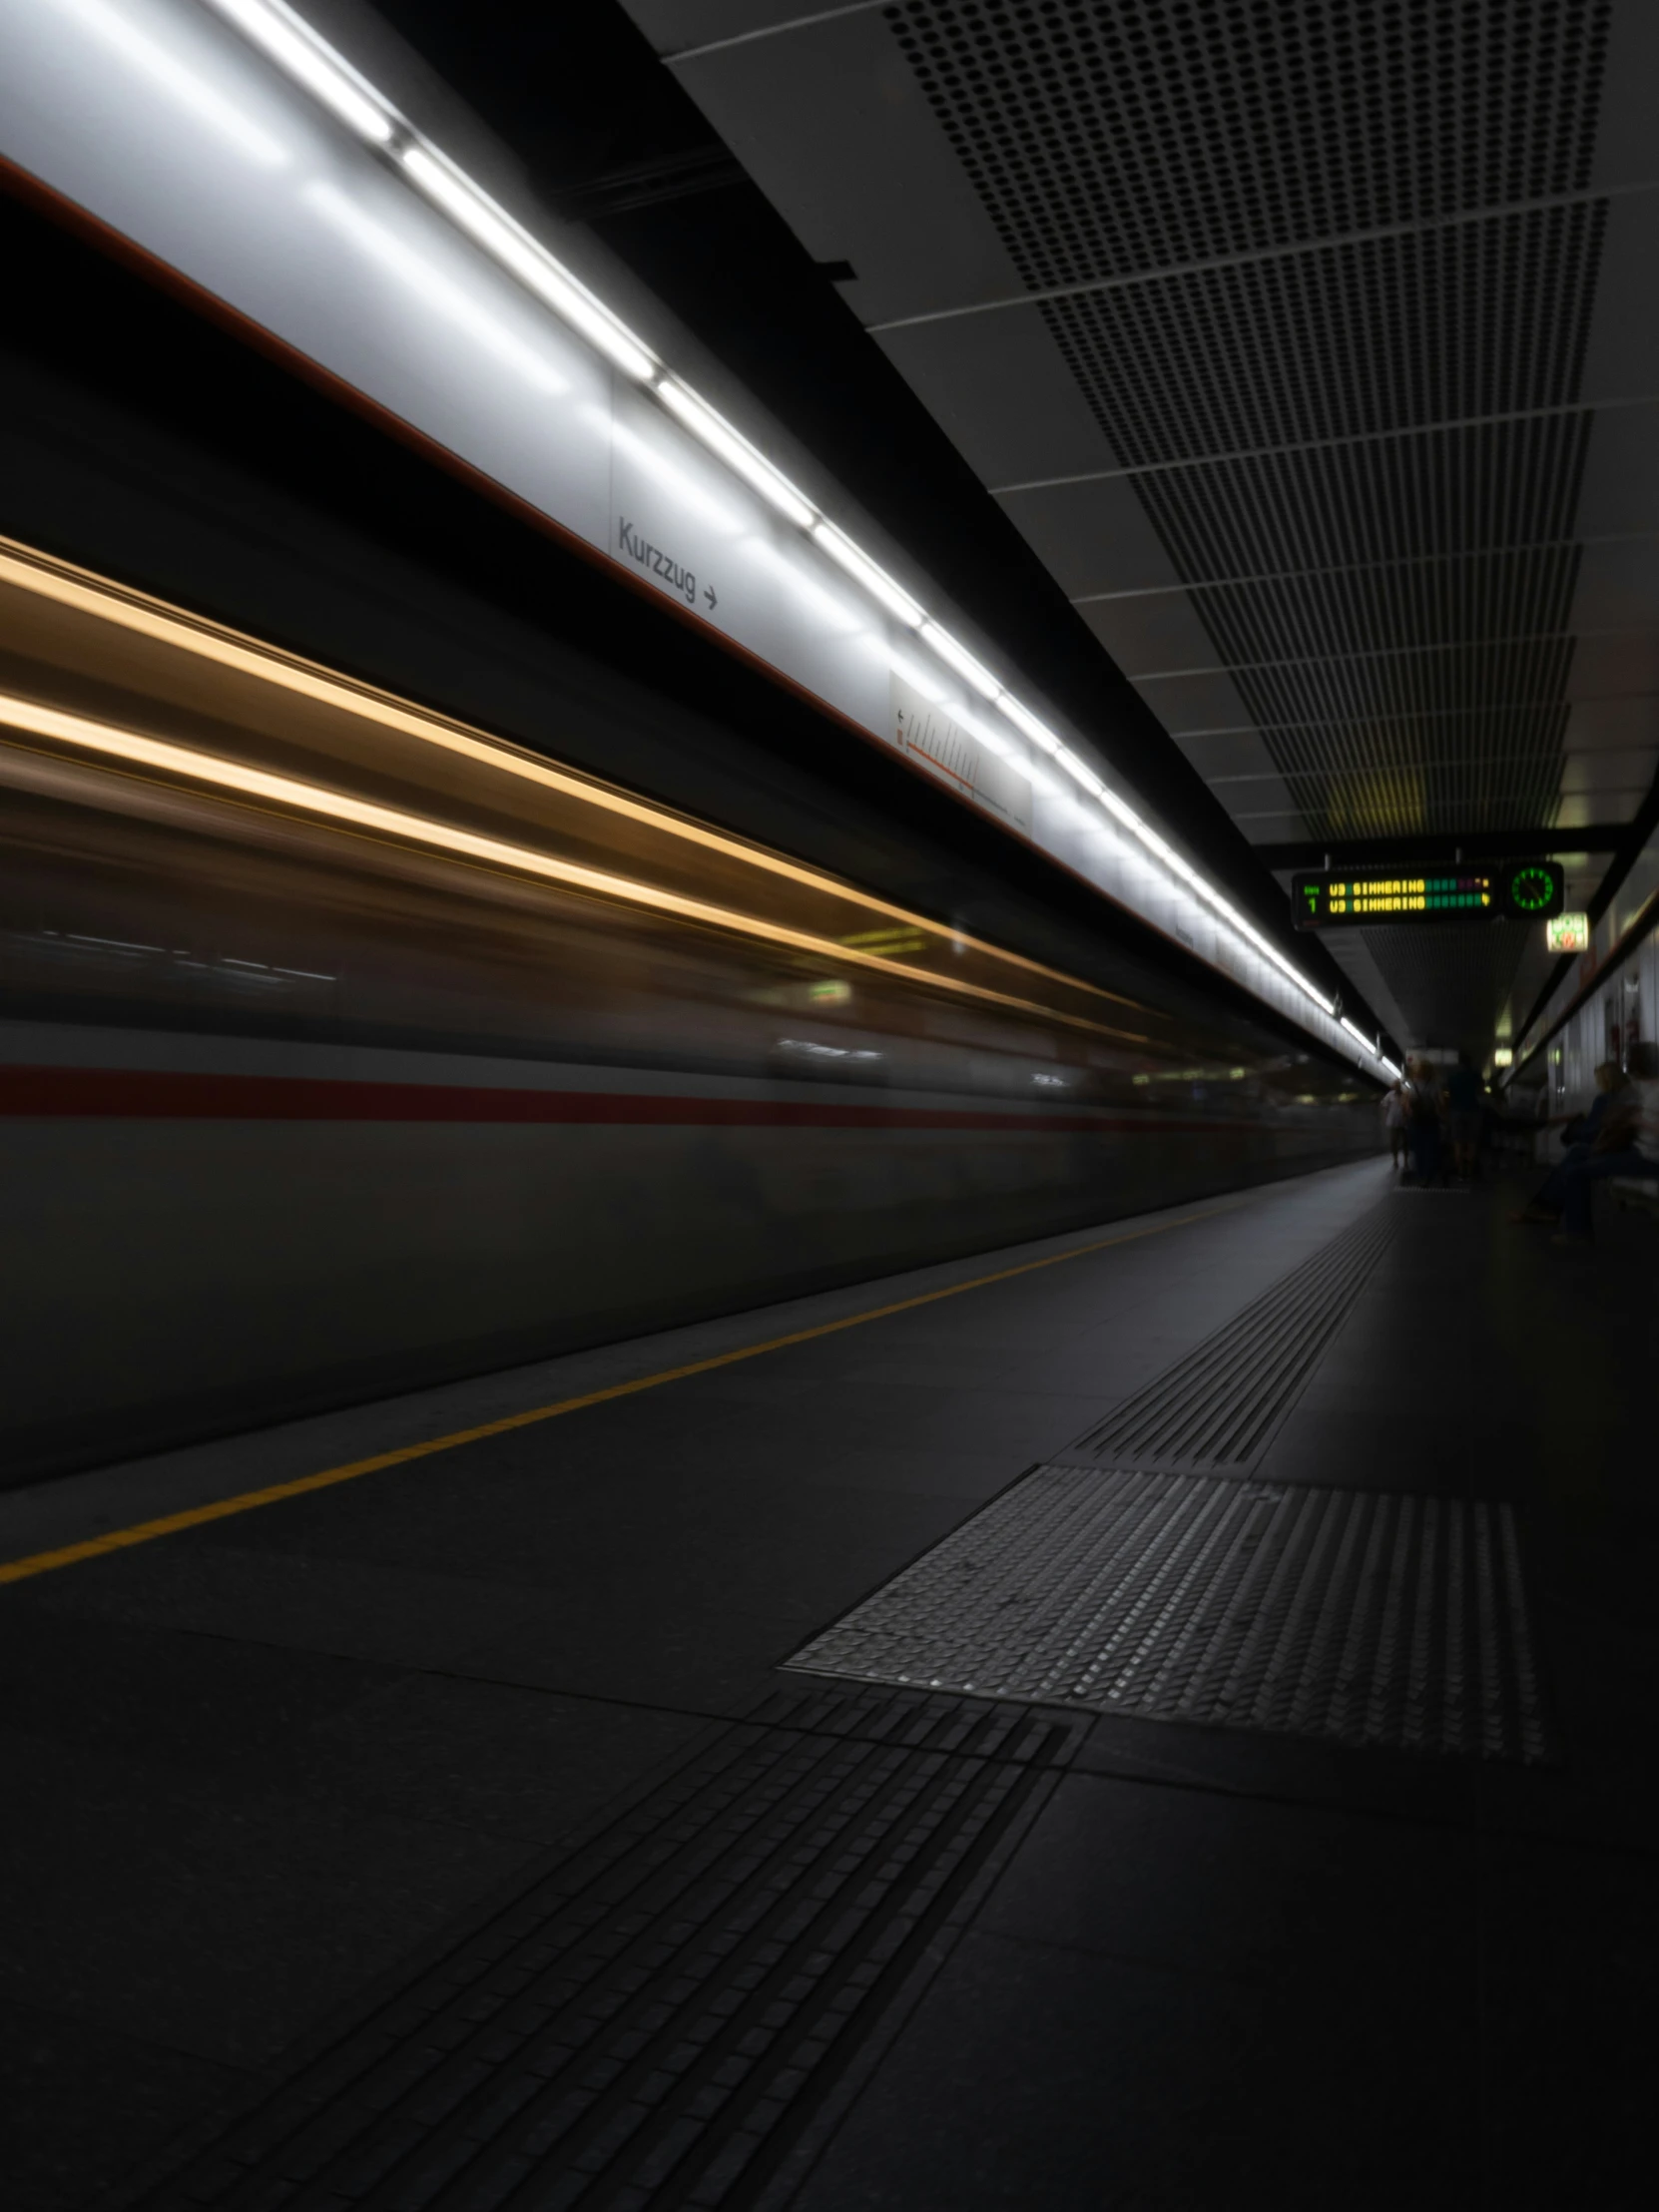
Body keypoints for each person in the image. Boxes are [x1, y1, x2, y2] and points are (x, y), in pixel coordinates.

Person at [1554, 1045, 1659, 1244]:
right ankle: (1550, 1207)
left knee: (1577, 1172)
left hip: (1650, 1157)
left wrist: (1638, 1120)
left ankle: (1577, 1232)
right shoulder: (1644, 1088)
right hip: (1638, 1150)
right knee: (1577, 1155)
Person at [1511, 1061, 1631, 1225]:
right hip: (1625, 1147)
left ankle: (1544, 1208)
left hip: (1610, 1149)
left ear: (1605, 1081)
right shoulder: (1627, 1097)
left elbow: (1590, 1132)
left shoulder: (1604, 1099)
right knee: (1575, 1156)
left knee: (1575, 1153)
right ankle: (1544, 1207)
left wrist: (1572, 1132)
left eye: (1598, 1080)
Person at [1402, 1056, 1446, 1185]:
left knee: (1418, 1148)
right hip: (1431, 1120)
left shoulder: (1412, 1085)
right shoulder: (1435, 1085)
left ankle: (1421, 1175)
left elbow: (1406, 1105)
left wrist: (1408, 1114)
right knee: (1431, 1148)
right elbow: (1440, 1104)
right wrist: (1443, 1116)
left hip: (1415, 1121)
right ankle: (1428, 1174)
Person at [1444, 1052, 1483, 1179]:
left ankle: (1461, 1172)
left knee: (1457, 1143)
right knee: (1472, 1142)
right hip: (1473, 1110)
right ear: (1470, 1063)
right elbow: (1481, 1092)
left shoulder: (1452, 1077)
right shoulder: (1476, 1075)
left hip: (1456, 1112)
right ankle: (1470, 1171)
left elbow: (1447, 1094)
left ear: (1458, 1063)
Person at [1382, 1080, 1407, 1169]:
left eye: (1398, 1085)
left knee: (1405, 1142)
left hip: (1403, 1122)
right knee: (1394, 1142)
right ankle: (1395, 1160)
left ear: (1400, 1086)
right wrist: (1386, 1118)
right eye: (1395, 1085)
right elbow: (1385, 1106)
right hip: (1393, 1122)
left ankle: (1406, 1161)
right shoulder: (1389, 1095)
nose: (1396, 1087)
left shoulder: (1404, 1095)